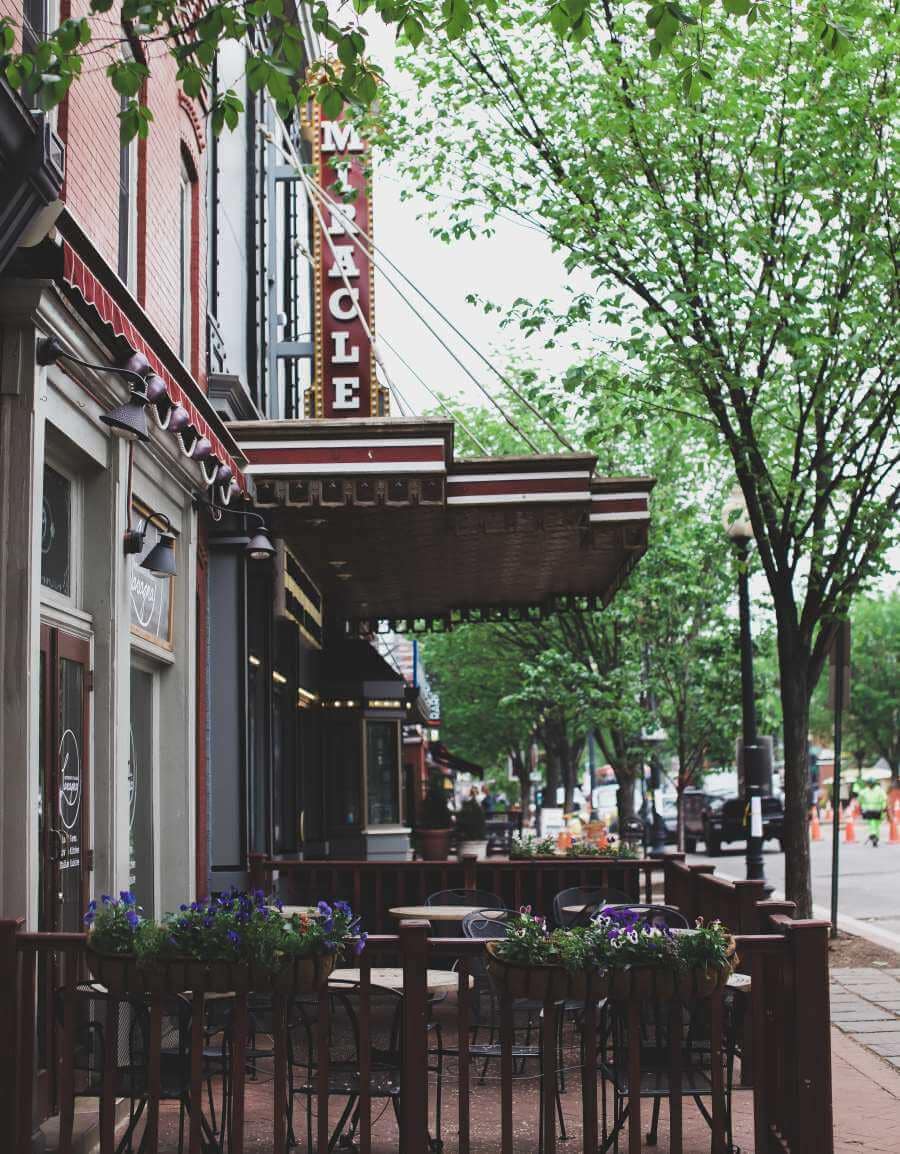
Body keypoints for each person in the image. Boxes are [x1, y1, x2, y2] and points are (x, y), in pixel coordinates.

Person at [857, 775, 888, 847]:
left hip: (870, 810)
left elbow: (859, 799)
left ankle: (873, 835)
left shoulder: (864, 791)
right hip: (877, 810)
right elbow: (884, 799)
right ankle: (875, 836)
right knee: (875, 824)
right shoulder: (880, 790)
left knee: (873, 823)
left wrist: (861, 806)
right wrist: (884, 807)